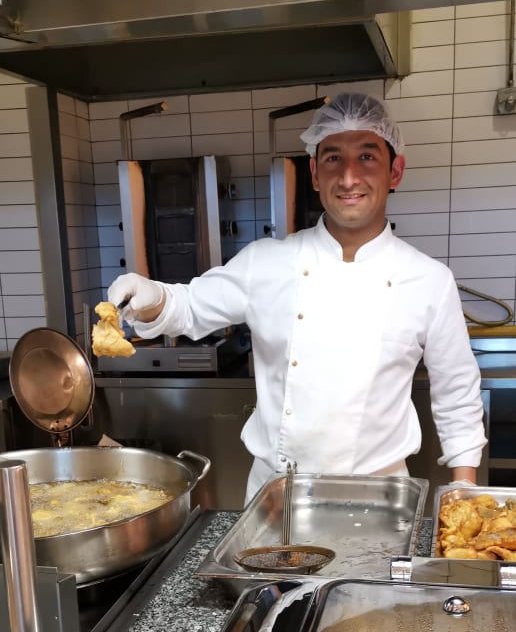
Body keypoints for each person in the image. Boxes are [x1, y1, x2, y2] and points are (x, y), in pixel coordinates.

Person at [108, 91, 486, 503]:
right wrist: (151, 297)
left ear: (395, 172)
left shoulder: (429, 280)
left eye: (366, 157)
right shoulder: (266, 262)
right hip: (277, 498)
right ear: (315, 173)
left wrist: (465, 484)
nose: (348, 178)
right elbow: (188, 307)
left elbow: (456, 389)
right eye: (333, 158)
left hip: (380, 496)